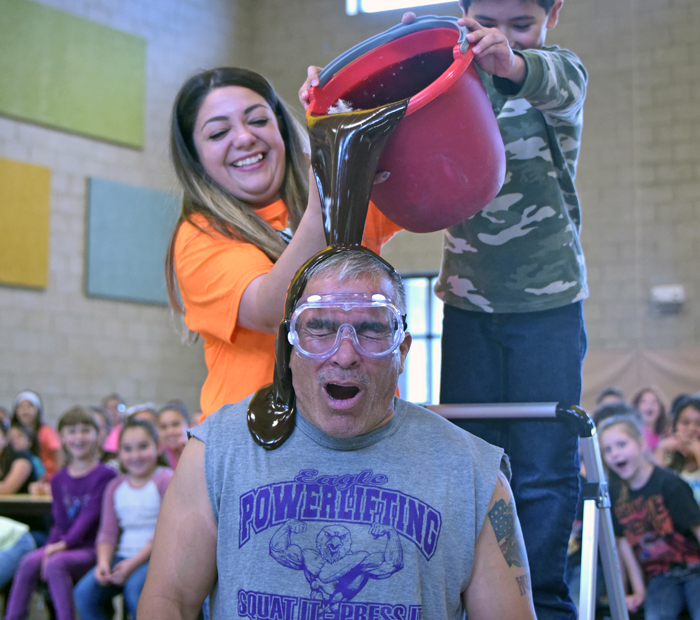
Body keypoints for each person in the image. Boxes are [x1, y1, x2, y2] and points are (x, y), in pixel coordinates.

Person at [300, 0, 587, 620]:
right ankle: (468, 589)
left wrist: (511, 56)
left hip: (549, 303)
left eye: (521, 24)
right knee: (470, 453)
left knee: (546, 463)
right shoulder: (450, 75)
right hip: (466, 303)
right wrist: (400, 60)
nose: (500, 38)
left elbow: (550, 78)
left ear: (551, 16)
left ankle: (542, 596)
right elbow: (375, 102)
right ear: (464, 12)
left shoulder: (556, 74)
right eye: (485, 23)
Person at [140, 246, 536, 620]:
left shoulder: (473, 474)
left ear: (402, 351)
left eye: (371, 330)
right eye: (320, 329)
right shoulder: (217, 450)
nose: (345, 355)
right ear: (290, 349)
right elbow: (167, 600)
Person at [166, 67, 400, 421]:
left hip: (361, 430)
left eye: (257, 120)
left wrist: (359, 92)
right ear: (195, 157)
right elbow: (270, 309)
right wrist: (328, 196)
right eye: (218, 132)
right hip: (257, 446)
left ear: (280, 126)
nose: (244, 138)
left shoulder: (345, 183)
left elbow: (443, 193)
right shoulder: (200, 234)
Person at [4, 406, 117, 620]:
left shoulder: (106, 475)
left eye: (85, 430)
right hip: (64, 545)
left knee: (56, 564)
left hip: (91, 548)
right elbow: (59, 524)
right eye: (72, 431)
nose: (78, 437)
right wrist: (49, 548)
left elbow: (88, 519)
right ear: (63, 437)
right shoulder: (58, 479)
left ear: (97, 434)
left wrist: (57, 549)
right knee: (29, 561)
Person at [600, 414, 700, 620]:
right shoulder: (614, 494)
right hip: (661, 577)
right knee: (656, 616)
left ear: (641, 443)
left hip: (695, 570)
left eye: (621, 444)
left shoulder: (669, 484)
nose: (615, 453)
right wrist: (639, 592)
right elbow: (625, 545)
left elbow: (697, 529)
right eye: (607, 450)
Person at [74, 418, 173, 620]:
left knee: (135, 590)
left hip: (157, 557)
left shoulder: (165, 479)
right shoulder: (115, 487)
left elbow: (167, 531)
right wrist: (103, 563)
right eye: (127, 449)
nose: (135, 455)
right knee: (84, 594)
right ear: (119, 453)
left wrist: (132, 564)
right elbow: (107, 533)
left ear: (158, 447)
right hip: (123, 556)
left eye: (143, 447)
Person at [655, 396, 700, 504]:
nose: (691, 429)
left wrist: (697, 450)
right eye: (685, 422)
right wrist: (661, 449)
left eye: (698, 423)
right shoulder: (667, 461)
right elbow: (655, 494)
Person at [11, 390, 62, 479]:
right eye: (21, 407)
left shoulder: (47, 431)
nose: (25, 410)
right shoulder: (12, 431)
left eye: (30, 406)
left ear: (37, 410)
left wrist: (58, 479)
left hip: (48, 479)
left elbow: (59, 456)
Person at [631, 385, 671, 452]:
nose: (649, 406)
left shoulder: (666, 434)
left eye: (654, 402)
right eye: (643, 402)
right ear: (636, 407)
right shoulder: (633, 434)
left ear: (661, 408)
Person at [157, 402, 190, 468]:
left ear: (189, 425)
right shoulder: (155, 458)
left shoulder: (200, 451)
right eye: (163, 427)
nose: (170, 432)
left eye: (175, 424)